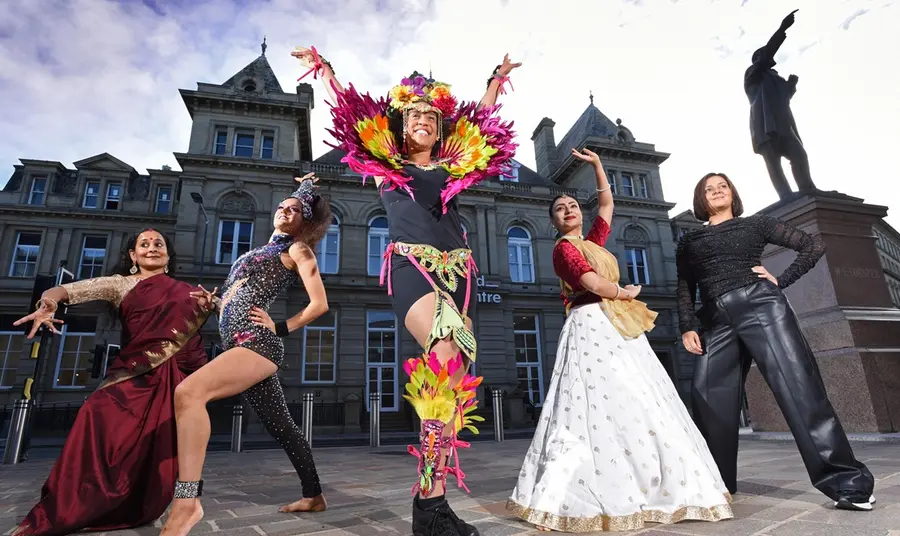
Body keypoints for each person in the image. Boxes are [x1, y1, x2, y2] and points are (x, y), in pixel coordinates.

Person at [291, 45, 519, 536]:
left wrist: (495, 80)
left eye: (432, 119)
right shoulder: (384, 161)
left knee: (450, 381)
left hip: (461, 272)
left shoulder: (454, 166)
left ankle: (431, 499)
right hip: (413, 264)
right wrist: (327, 72)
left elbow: (481, 122)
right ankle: (429, 504)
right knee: (441, 348)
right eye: (415, 115)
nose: (424, 122)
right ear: (401, 124)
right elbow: (348, 113)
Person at [506, 149, 733, 532]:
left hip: (615, 322)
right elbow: (590, 283)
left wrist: (596, 167)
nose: (568, 210)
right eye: (559, 208)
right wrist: (623, 292)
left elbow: (607, 204)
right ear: (554, 222)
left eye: (573, 204)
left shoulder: (592, 240)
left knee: (637, 395)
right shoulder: (564, 249)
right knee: (594, 400)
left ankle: (651, 477)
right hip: (592, 321)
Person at [677, 172, 875, 511]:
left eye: (723, 186)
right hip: (716, 321)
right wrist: (687, 325)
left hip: (762, 306)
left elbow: (813, 245)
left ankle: (848, 483)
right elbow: (684, 287)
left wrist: (781, 280)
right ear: (701, 200)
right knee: (707, 397)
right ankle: (714, 483)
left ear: (732, 193)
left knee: (799, 388)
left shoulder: (757, 224)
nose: (717, 191)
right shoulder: (689, 242)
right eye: (709, 189)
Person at [160, 176, 332, 536]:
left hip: (258, 343)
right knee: (282, 428)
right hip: (237, 343)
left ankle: (187, 501)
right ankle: (313, 495)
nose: (285, 211)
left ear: (305, 222)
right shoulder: (257, 253)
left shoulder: (298, 250)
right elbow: (238, 300)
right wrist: (216, 304)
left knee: (188, 393)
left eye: (295, 210)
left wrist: (279, 327)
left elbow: (319, 304)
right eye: (282, 206)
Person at [12, 229, 211, 536]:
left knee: (154, 444)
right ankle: (77, 502)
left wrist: (218, 305)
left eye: (159, 244)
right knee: (94, 414)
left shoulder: (188, 292)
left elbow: (230, 310)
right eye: (144, 244)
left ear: (168, 257)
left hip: (169, 380)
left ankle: (139, 502)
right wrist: (48, 302)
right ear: (133, 256)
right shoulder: (120, 284)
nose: (152, 248)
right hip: (129, 375)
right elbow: (67, 290)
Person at [745, 9, 817, 198]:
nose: (769, 56)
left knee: (799, 155)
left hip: (784, 124)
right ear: (758, 59)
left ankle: (807, 188)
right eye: (764, 54)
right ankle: (785, 196)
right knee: (773, 162)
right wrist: (782, 29)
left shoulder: (774, 77)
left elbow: (783, 98)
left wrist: (791, 86)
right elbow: (767, 53)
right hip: (764, 126)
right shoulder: (753, 74)